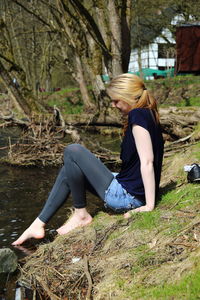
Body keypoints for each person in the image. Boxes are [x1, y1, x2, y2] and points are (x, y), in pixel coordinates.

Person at [12, 73, 164, 246]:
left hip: (128, 196)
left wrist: (149, 205)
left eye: (116, 101)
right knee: (70, 168)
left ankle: (81, 214)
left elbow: (147, 161)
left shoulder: (138, 116)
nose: (113, 105)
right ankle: (38, 224)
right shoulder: (148, 114)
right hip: (130, 187)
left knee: (72, 150)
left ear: (127, 96)